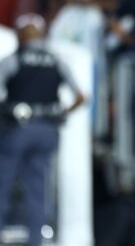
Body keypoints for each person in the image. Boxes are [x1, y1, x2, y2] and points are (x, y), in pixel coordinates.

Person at [0, 13, 85, 246]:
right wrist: (61, 114)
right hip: (47, 128)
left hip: (18, 128)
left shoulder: (14, 58)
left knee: (3, 183)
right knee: (38, 188)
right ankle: (35, 241)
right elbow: (81, 97)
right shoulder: (56, 60)